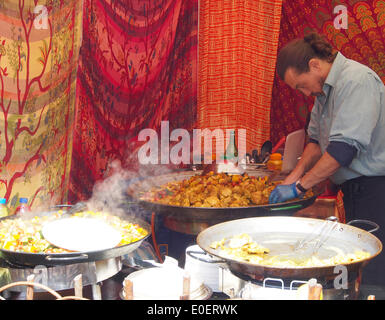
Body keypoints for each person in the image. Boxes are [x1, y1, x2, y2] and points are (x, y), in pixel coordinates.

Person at [269, 32, 385, 286]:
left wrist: (300, 187)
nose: (303, 92)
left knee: (374, 272)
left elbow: (342, 151)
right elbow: (315, 144)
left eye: (301, 85)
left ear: (314, 65)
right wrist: (291, 178)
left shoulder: (356, 81)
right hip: (355, 189)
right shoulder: (323, 92)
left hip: (378, 189)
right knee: (358, 266)